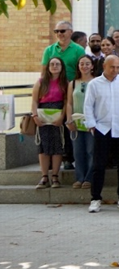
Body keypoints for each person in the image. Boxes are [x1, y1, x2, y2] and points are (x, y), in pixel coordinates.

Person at [84, 55, 119, 212]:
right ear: (104, 66)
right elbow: (88, 105)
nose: (115, 70)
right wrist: (92, 125)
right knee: (98, 165)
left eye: (118, 67)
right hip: (102, 128)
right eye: (112, 67)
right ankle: (95, 198)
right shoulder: (94, 84)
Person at [31, 57, 69, 188]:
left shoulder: (65, 83)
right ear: (48, 67)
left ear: (62, 67)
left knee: (57, 146)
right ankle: (44, 176)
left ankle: (55, 176)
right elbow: (35, 101)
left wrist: (62, 117)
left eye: (57, 64)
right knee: (43, 146)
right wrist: (35, 116)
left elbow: (66, 102)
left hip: (57, 117)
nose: (54, 66)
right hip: (42, 117)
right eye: (52, 64)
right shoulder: (41, 82)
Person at [67, 55, 97, 189]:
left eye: (87, 63)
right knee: (77, 150)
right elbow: (69, 103)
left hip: (91, 121)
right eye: (81, 64)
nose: (84, 66)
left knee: (91, 150)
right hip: (76, 121)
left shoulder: (97, 82)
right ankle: (79, 177)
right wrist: (69, 119)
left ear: (92, 66)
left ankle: (89, 178)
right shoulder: (73, 83)